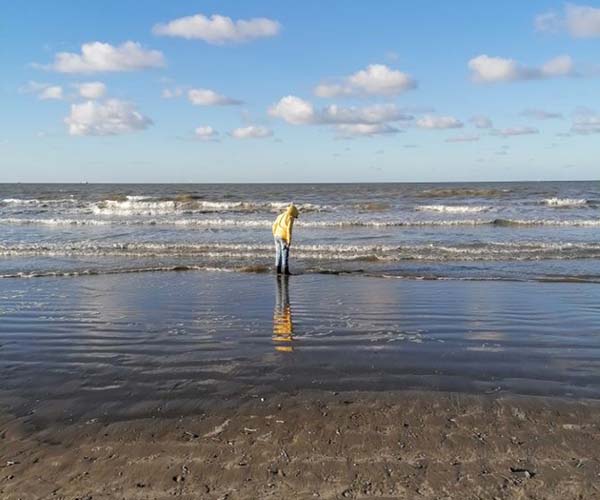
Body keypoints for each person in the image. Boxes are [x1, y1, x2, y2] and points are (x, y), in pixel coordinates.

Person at [272, 203, 299, 275]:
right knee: (285, 254)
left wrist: (274, 233)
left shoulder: (280, 215)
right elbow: (288, 230)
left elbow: (274, 225)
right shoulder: (290, 218)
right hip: (283, 237)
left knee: (278, 253)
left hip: (276, 236)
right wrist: (289, 241)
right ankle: (286, 271)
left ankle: (278, 270)